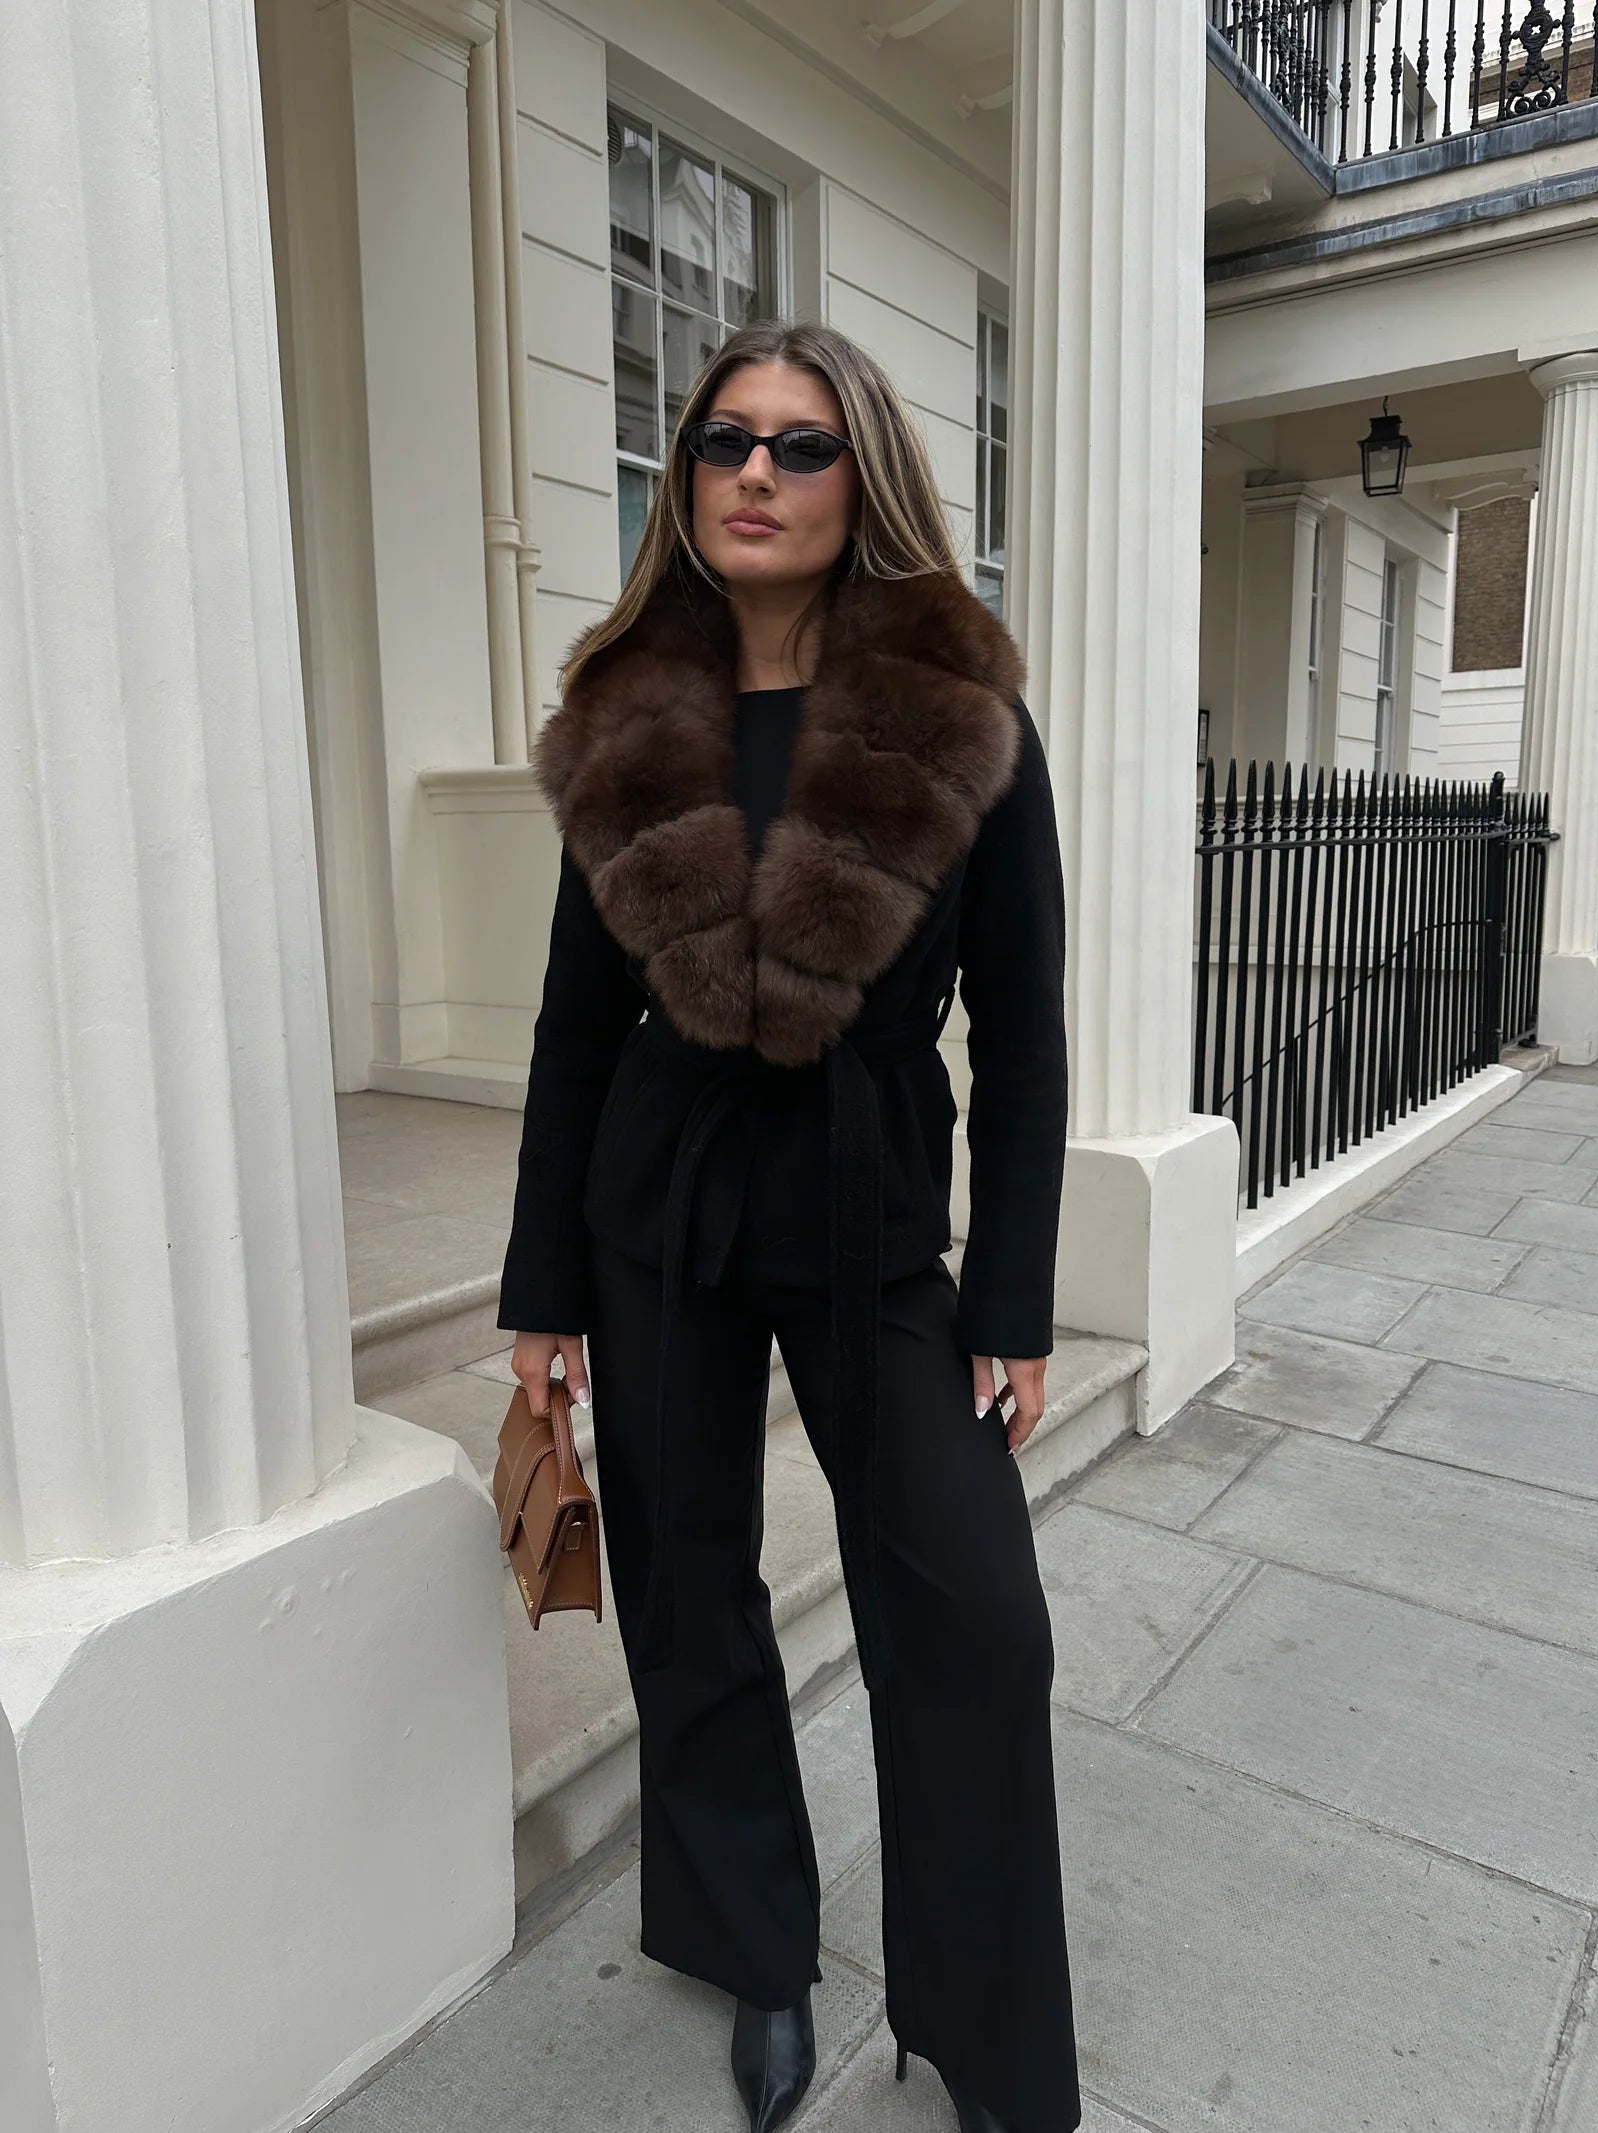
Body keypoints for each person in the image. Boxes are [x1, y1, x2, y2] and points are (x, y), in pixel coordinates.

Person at [497, 317, 1082, 2133]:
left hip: (866, 1203)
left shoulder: (958, 713)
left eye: (800, 444)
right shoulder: (626, 716)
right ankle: (755, 1945)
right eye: (724, 439)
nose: (753, 471)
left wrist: (1013, 1292)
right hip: (658, 1206)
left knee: (975, 1614)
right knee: (689, 1592)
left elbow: (1026, 1024)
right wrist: (540, 1287)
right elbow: (575, 1028)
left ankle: (981, 2025)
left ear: (864, 477)